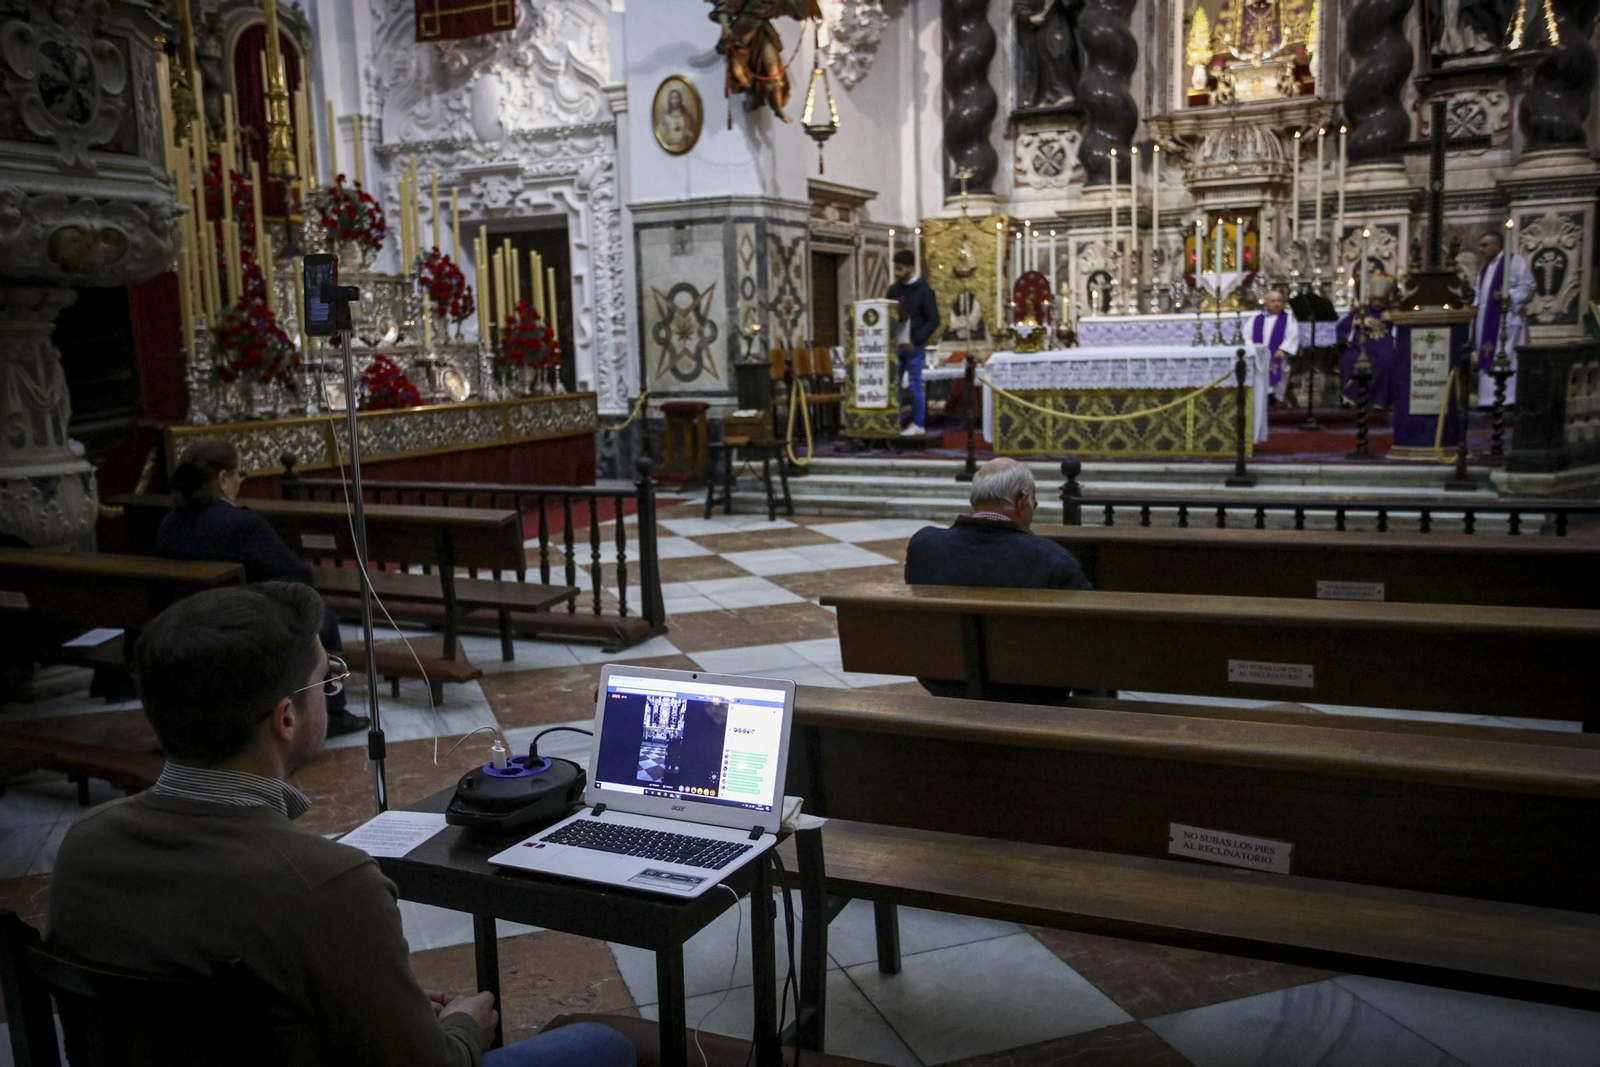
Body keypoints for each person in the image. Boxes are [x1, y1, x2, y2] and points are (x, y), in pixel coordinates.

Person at [46, 583, 637, 1067]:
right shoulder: (328, 884)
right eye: (324, 681)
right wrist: (463, 1026)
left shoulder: (83, 847)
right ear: (285, 717)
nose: (331, 695)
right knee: (603, 1045)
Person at [156, 440, 369, 736]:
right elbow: (297, 577)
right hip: (242, 627)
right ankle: (332, 713)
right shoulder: (241, 523)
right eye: (238, 475)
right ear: (222, 479)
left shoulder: (170, 523)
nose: (239, 482)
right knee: (324, 619)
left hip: (187, 624)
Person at [904, 459, 1091, 705]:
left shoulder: (923, 546)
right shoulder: (1053, 560)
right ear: (1022, 501)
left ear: (975, 500)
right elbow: (1087, 643)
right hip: (1030, 694)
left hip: (945, 683)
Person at [1469, 229, 1535, 407]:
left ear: (1498, 245)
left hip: (1507, 321)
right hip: (1486, 322)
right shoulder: (1484, 269)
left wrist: (1509, 296)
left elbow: (1528, 286)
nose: (1481, 250)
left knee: (1506, 357)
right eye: (1480, 246)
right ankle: (1488, 399)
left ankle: (1508, 399)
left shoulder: (1515, 262)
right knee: (1488, 353)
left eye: (1485, 245)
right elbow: (1479, 296)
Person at [886, 249, 939, 436]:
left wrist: (916, 340)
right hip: (895, 345)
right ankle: (894, 421)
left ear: (910, 267)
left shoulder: (924, 291)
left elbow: (933, 320)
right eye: (895, 269)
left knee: (915, 383)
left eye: (900, 269)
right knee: (894, 384)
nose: (897, 273)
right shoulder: (894, 290)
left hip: (914, 345)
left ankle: (918, 423)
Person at [1337, 276, 1400, 410]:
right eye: (1374, 299)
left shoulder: (1393, 311)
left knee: (1388, 360)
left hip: (1384, 347)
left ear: (1387, 298)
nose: (1377, 303)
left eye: (1381, 300)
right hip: (1362, 347)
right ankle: (1355, 400)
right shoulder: (1361, 310)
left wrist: (1395, 318)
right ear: (1370, 296)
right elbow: (1341, 328)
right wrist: (1357, 322)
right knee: (1350, 359)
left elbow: (1404, 330)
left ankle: (1381, 401)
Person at [1248, 289, 1299, 443]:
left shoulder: (1288, 318)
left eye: (1279, 301)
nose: (1277, 304)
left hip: (1277, 357)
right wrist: (1253, 349)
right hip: (1259, 358)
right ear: (1266, 302)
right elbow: (1246, 336)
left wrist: (1284, 348)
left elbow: (1293, 335)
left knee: (1279, 370)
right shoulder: (1256, 319)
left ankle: (1275, 401)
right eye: (1273, 301)